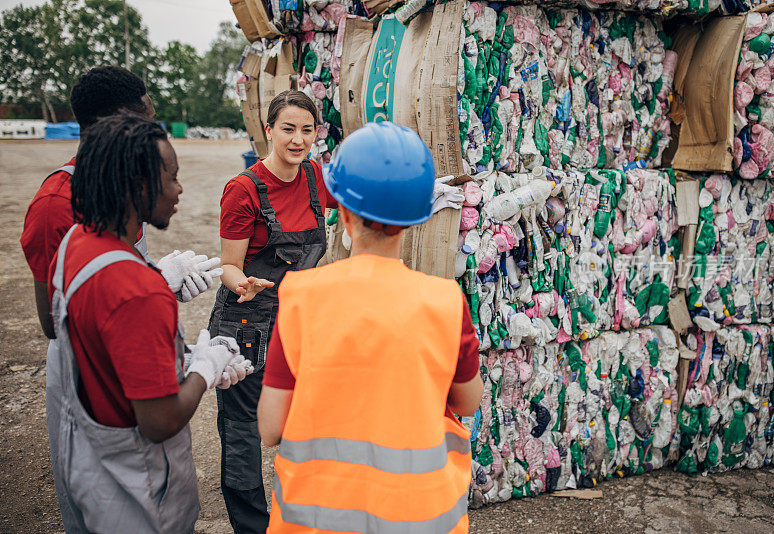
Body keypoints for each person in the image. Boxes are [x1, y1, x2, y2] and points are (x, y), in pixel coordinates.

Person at [256, 121, 484, 533]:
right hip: (420, 519)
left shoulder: (300, 296)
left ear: (343, 212)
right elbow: (467, 403)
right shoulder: (447, 302)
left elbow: (271, 427)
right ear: (416, 218)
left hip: (315, 521)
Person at [46, 113, 253, 533]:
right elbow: (159, 421)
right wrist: (204, 369)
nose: (179, 190)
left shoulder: (76, 243)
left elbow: (110, 343)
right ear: (138, 186)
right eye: (171, 178)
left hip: (87, 462)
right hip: (137, 493)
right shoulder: (140, 291)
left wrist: (181, 355)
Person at [208, 89, 338, 534]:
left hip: (296, 319)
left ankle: (297, 520)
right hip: (246, 321)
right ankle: (252, 527)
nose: (298, 140)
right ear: (268, 130)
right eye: (288, 129)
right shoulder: (243, 189)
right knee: (243, 432)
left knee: (302, 422)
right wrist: (239, 282)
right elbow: (228, 263)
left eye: (307, 130)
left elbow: (361, 208)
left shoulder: (315, 178)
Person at [21, 65, 220, 340]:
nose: (155, 132)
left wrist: (156, 282)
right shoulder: (55, 206)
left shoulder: (129, 187)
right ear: (114, 125)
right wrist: (154, 283)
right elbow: (56, 323)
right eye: (145, 123)